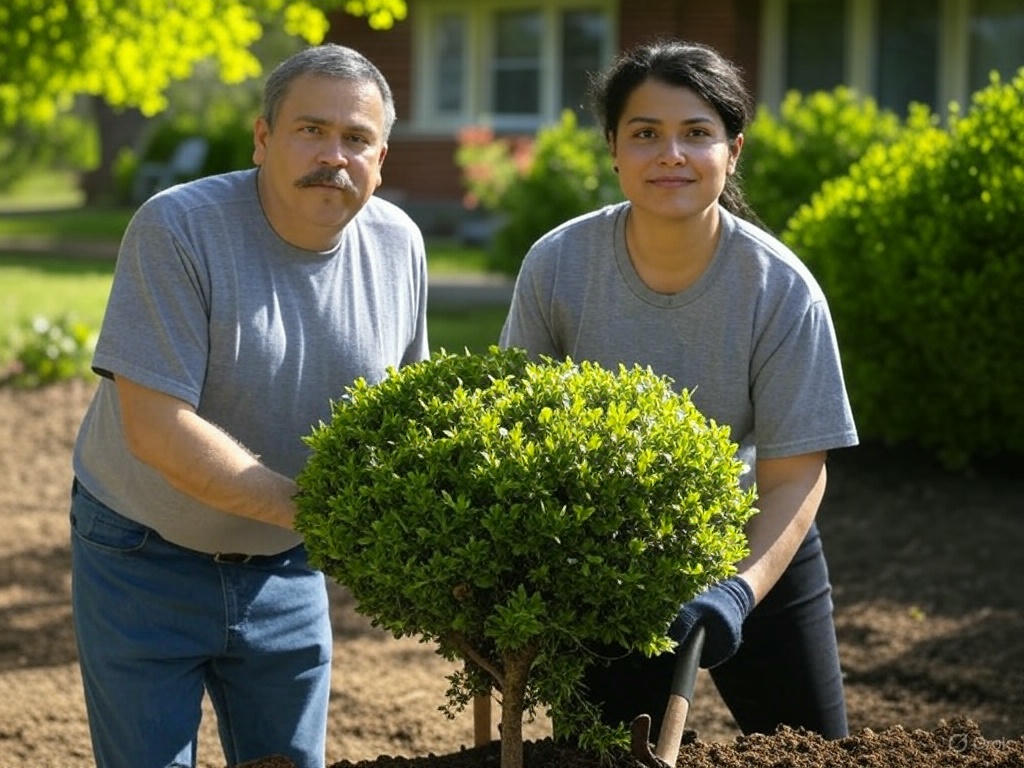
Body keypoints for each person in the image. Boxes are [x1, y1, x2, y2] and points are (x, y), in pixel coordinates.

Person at [69, 44, 428, 768]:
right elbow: (158, 430)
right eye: (310, 130)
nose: (334, 154)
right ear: (263, 138)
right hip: (143, 555)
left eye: (357, 138)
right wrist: (330, 517)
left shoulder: (398, 245)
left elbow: (405, 420)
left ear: (381, 158)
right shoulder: (179, 229)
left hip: (287, 564)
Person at [499, 40, 858, 740]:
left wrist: (735, 591)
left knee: (813, 752)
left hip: (755, 548)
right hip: (606, 560)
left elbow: (794, 476)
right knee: (600, 755)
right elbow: (520, 432)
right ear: (612, 149)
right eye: (645, 134)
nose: (672, 154)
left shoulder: (781, 290)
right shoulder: (558, 265)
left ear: (733, 150)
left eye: (697, 133)